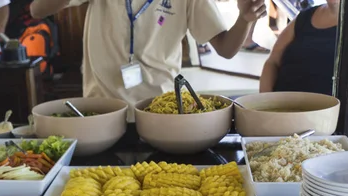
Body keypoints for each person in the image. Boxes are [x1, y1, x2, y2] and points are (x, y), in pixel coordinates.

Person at [30, 0, 267, 119]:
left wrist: (245, 20)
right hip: (101, 111)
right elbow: (38, 9)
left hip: (162, 112)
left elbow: (226, 48)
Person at [260, 0, 339, 95]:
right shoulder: (304, 17)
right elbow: (272, 62)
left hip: (325, 108)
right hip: (279, 105)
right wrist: (266, 101)